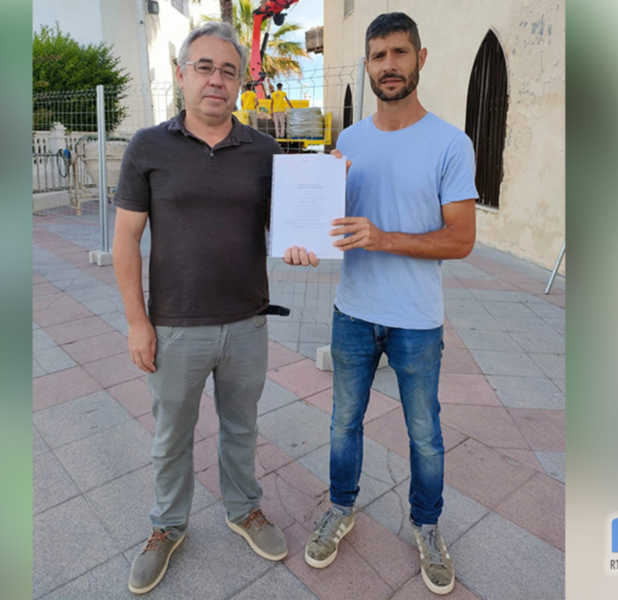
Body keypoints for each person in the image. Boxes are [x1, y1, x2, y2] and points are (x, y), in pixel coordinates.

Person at [288, 12, 478, 596]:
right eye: (378, 55)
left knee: (425, 433)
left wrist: (384, 237)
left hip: (417, 322)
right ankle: (340, 509)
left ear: (421, 58)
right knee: (344, 423)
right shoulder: (349, 140)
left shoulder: (450, 142)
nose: (388, 65)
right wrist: (308, 241)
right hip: (353, 312)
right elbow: (335, 225)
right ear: (367, 66)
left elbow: (462, 238)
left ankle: (427, 526)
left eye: (399, 52)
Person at [112, 22, 289, 595]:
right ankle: (166, 526)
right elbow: (125, 240)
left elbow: (287, 228)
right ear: (183, 75)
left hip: (247, 322)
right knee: (171, 436)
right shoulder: (148, 147)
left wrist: (313, 228)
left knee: (242, 427)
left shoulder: (264, 150)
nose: (217, 79)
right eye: (205, 67)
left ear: (240, 82)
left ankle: (244, 509)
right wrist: (138, 323)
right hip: (175, 326)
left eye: (229, 70)